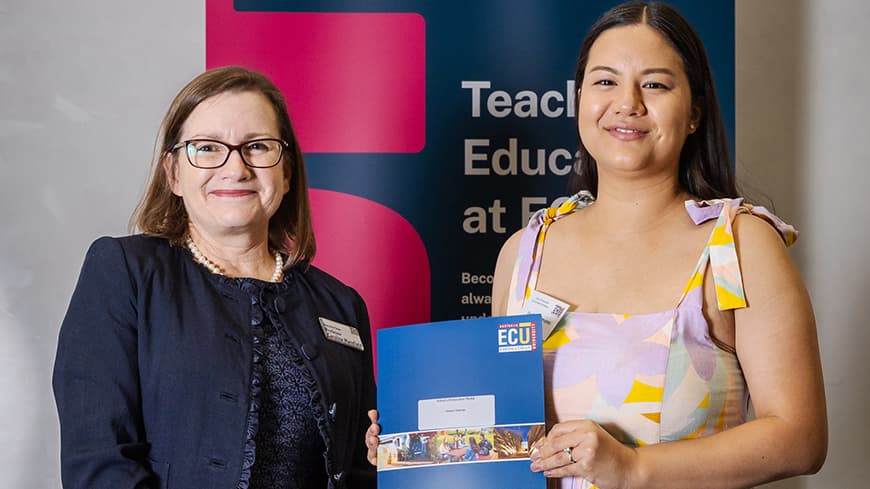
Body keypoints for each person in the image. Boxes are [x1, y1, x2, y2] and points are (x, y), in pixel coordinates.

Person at [368, 2, 827, 488]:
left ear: (693, 112)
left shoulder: (737, 247)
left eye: (655, 83)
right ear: (580, 97)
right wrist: (419, 444)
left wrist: (634, 469)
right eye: (606, 81)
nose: (627, 102)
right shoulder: (524, 253)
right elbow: (503, 438)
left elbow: (800, 437)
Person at [53, 66, 376, 489]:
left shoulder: (341, 304)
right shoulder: (125, 273)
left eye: (257, 146)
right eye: (206, 148)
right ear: (173, 173)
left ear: (288, 172)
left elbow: (358, 470)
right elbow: (98, 459)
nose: (235, 167)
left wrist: (384, 454)